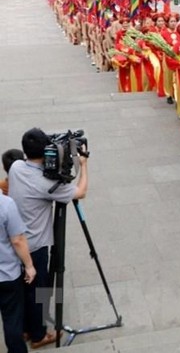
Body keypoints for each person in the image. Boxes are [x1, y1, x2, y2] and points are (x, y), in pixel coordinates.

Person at [9, 128, 89, 349]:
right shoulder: (48, 185)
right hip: (37, 246)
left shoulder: (16, 167)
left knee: (25, 289)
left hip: (17, 241)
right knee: (40, 290)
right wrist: (83, 165)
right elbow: (80, 192)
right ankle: (40, 334)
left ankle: (26, 328)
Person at [0, 189, 36, 353]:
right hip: (7, 274)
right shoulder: (5, 204)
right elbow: (18, 240)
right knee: (12, 320)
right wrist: (29, 265)